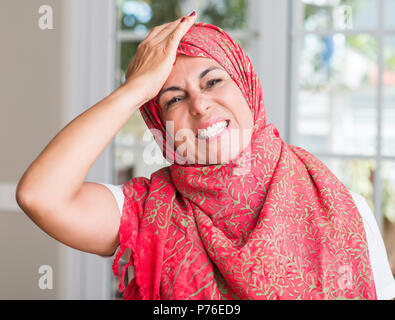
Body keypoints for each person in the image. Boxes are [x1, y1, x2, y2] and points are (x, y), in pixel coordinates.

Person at [16, 12, 395, 300]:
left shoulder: (345, 210)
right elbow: (41, 196)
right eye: (174, 98)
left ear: (246, 85)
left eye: (213, 81)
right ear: (159, 126)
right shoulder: (144, 210)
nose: (199, 104)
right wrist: (136, 89)